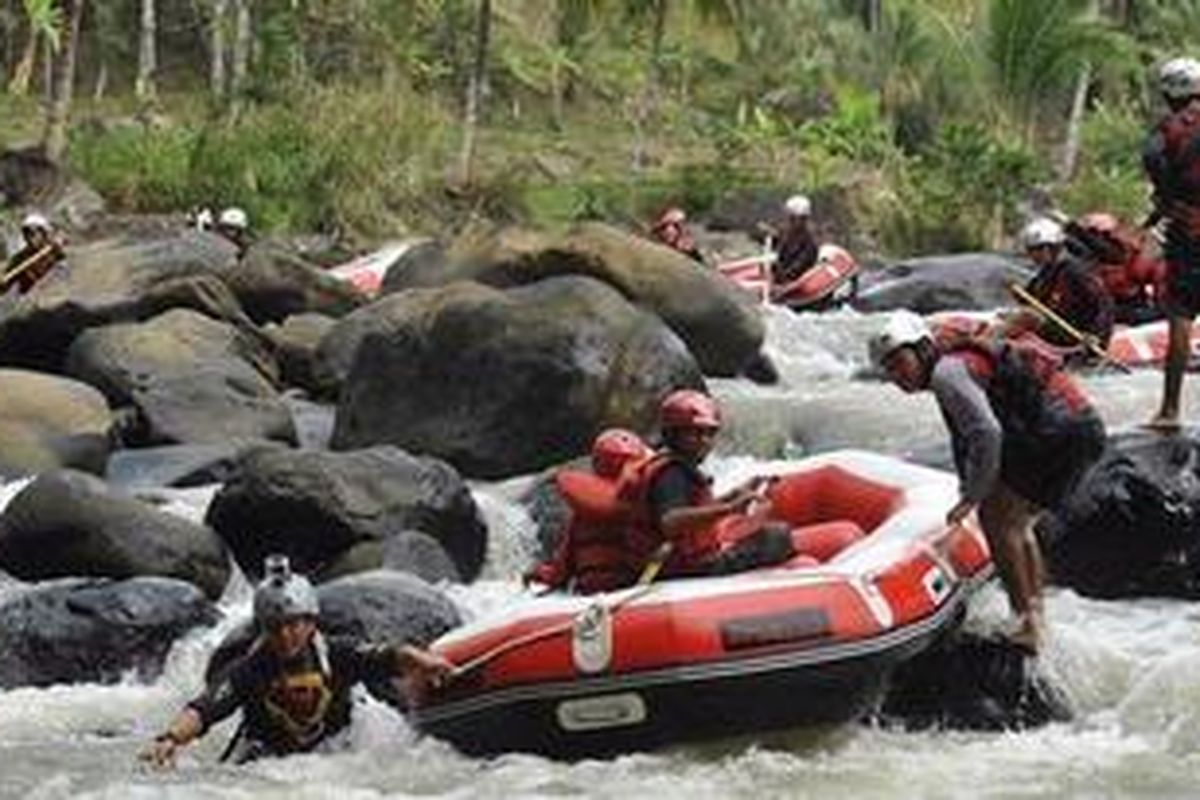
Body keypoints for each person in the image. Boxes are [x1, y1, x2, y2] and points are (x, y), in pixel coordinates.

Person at [869, 311, 1105, 653]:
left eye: (899, 362)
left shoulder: (948, 374)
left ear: (922, 349)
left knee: (997, 520)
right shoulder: (953, 367)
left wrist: (972, 497)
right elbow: (968, 438)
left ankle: (1027, 625)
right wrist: (972, 487)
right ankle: (1035, 616)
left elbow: (986, 433)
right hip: (1079, 426)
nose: (896, 375)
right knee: (1019, 523)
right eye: (888, 370)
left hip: (1058, 429)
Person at [141, 555, 453, 767]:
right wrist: (171, 738)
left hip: (336, 757)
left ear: (311, 621)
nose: (286, 634)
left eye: (295, 623)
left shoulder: (336, 653)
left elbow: (388, 656)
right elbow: (205, 707)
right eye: (276, 626)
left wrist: (426, 662)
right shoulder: (248, 670)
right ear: (263, 627)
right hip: (266, 764)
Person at [621, 389, 792, 578]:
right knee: (776, 536)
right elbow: (670, 521)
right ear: (673, 435)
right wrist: (729, 508)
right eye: (695, 434)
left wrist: (734, 494)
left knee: (771, 534)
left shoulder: (671, 467)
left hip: (680, 562)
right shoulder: (671, 474)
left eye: (709, 434)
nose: (704, 441)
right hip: (686, 568)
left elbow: (692, 508)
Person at [525, 428, 654, 594]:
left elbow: (560, 571)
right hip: (636, 590)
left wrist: (539, 574)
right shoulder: (648, 506)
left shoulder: (582, 515)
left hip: (593, 593)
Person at [1144, 57, 1200, 429]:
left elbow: (1155, 167)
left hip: (1188, 233)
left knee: (1180, 316)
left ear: (1168, 93)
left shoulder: (1165, 133)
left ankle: (1169, 410)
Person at [1011, 217, 1114, 353]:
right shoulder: (1045, 273)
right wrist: (1019, 295)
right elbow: (1032, 300)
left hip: (1076, 334)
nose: (1031, 256)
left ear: (1048, 248)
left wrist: (1097, 336)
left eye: (1034, 250)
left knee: (1028, 316)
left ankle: (989, 345)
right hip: (1057, 328)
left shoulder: (1076, 272)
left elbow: (1105, 304)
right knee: (1010, 315)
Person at [1067, 212, 1166, 325]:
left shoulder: (1148, 261)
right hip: (1085, 304)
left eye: (1106, 236)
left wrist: (1123, 315)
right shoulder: (1077, 256)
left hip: (1126, 309)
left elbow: (1164, 310)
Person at [2, 212, 64, 294]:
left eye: (34, 233)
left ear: (44, 234)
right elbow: (6, 281)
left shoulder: (55, 252)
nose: (30, 237)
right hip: (26, 298)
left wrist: (56, 248)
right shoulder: (20, 258)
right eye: (27, 233)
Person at [771, 194, 819, 286]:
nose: (789, 221)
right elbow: (776, 253)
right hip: (782, 278)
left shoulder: (809, 242)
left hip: (798, 282)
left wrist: (784, 276)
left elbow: (800, 265)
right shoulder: (784, 234)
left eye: (792, 218)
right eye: (790, 218)